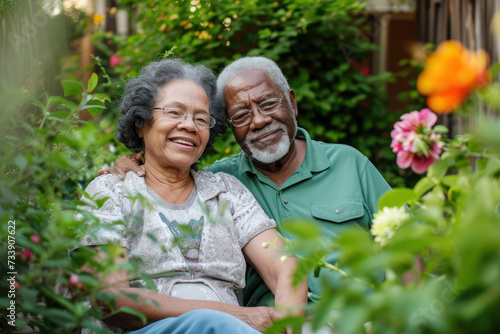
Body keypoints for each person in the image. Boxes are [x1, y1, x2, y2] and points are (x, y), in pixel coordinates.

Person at [103, 57, 423, 309]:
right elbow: (171, 164)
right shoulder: (223, 183)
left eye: (268, 104)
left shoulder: (349, 164)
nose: (258, 121)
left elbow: (407, 248)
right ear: (229, 127)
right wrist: (132, 161)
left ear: (292, 103)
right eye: (241, 115)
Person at [79, 58, 307, 334]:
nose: (189, 125)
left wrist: (287, 322)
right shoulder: (110, 192)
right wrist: (233, 316)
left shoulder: (226, 191)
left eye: (201, 119)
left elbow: (285, 266)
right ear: (141, 123)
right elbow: (110, 299)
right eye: (174, 113)